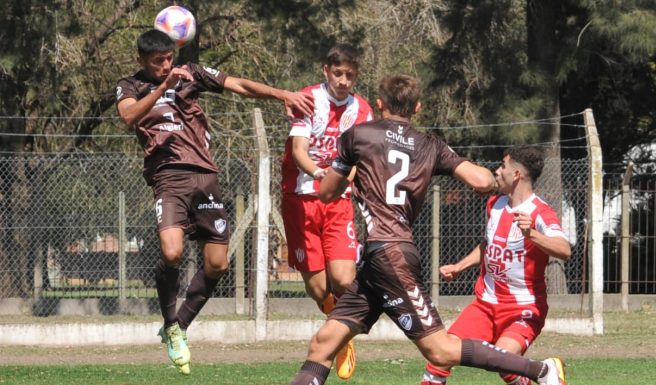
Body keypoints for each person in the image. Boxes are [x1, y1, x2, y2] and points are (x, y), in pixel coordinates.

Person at [287, 74, 566, 385]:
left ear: (379, 105)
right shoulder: (430, 145)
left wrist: (351, 171)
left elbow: (326, 192)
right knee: (322, 344)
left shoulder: (358, 136)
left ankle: (541, 371)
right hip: (379, 262)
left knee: (440, 351)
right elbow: (483, 181)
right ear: (417, 108)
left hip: (389, 256)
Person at [115, 29, 313, 375]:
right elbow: (129, 116)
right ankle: (170, 320)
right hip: (168, 176)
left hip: (205, 176)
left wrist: (281, 93)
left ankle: (177, 326)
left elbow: (239, 85)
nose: (166, 65)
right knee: (172, 252)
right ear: (141, 61)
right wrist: (163, 88)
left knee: (218, 264)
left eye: (168, 59)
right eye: (157, 61)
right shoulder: (130, 85)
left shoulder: (192, 73)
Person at [420, 145, 572, 385]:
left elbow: (564, 249)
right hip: (485, 305)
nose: (497, 171)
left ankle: (545, 370)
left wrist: (531, 234)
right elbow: (488, 246)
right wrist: (460, 266)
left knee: (506, 362)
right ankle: (544, 372)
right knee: (440, 355)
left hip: (523, 309)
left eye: (503, 166)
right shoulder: (495, 204)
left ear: (516, 175)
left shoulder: (540, 212)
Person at [280, 43, 373, 380]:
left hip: (337, 202)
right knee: (320, 290)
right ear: (326, 71)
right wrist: (319, 174)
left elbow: (359, 159)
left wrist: (340, 180)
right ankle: (340, 333)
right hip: (300, 200)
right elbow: (299, 150)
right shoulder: (308, 99)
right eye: (338, 73)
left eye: (350, 75)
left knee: (345, 279)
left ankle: (341, 336)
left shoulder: (362, 111)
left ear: (356, 76)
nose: (343, 80)